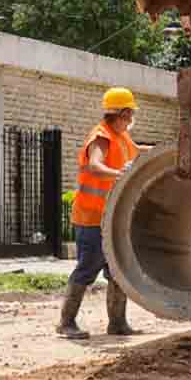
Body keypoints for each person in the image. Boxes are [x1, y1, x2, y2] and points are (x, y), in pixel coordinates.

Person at [58, 87, 141, 340]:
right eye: (130, 114)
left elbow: (139, 151)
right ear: (123, 113)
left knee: (117, 269)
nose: (131, 119)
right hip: (92, 217)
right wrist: (120, 174)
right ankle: (66, 322)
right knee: (88, 267)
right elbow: (95, 165)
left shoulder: (122, 137)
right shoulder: (101, 136)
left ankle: (117, 323)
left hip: (111, 216)